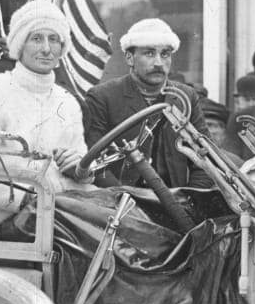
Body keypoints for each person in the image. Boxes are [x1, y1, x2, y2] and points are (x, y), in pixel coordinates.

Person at [0, 0, 94, 238]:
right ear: (20, 44)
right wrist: (28, 197)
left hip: (61, 209)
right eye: (36, 38)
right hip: (7, 217)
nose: (47, 49)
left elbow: (79, 161)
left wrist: (80, 170)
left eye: (54, 39)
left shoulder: (67, 102)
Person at [83, 18, 213, 190]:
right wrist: (124, 198)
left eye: (165, 54)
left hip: (177, 203)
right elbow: (95, 164)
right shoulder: (102, 97)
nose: (159, 63)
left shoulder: (185, 97)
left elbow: (205, 158)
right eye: (149, 53)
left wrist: (191, 199)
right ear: (129, 58)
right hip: (121, 204)